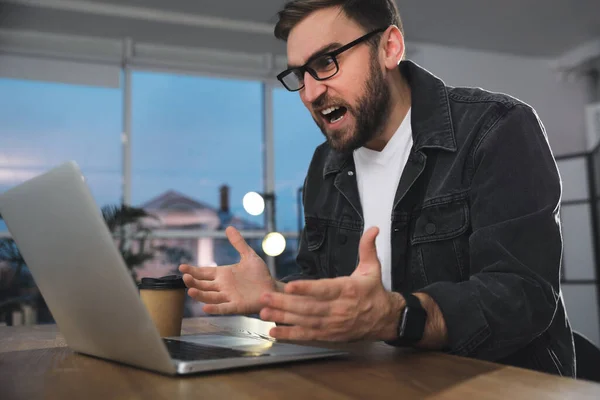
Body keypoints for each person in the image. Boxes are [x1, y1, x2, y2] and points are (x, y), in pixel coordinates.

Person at [179, 0, 574, 377]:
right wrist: (277, 293)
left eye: (326, 62)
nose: (311, 94)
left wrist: (399, 317)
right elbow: (332, 295)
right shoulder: (325, 166)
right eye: (301, 75)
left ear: (389, 47)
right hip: (377, 383)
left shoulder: (496, 129)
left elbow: (521, 294)